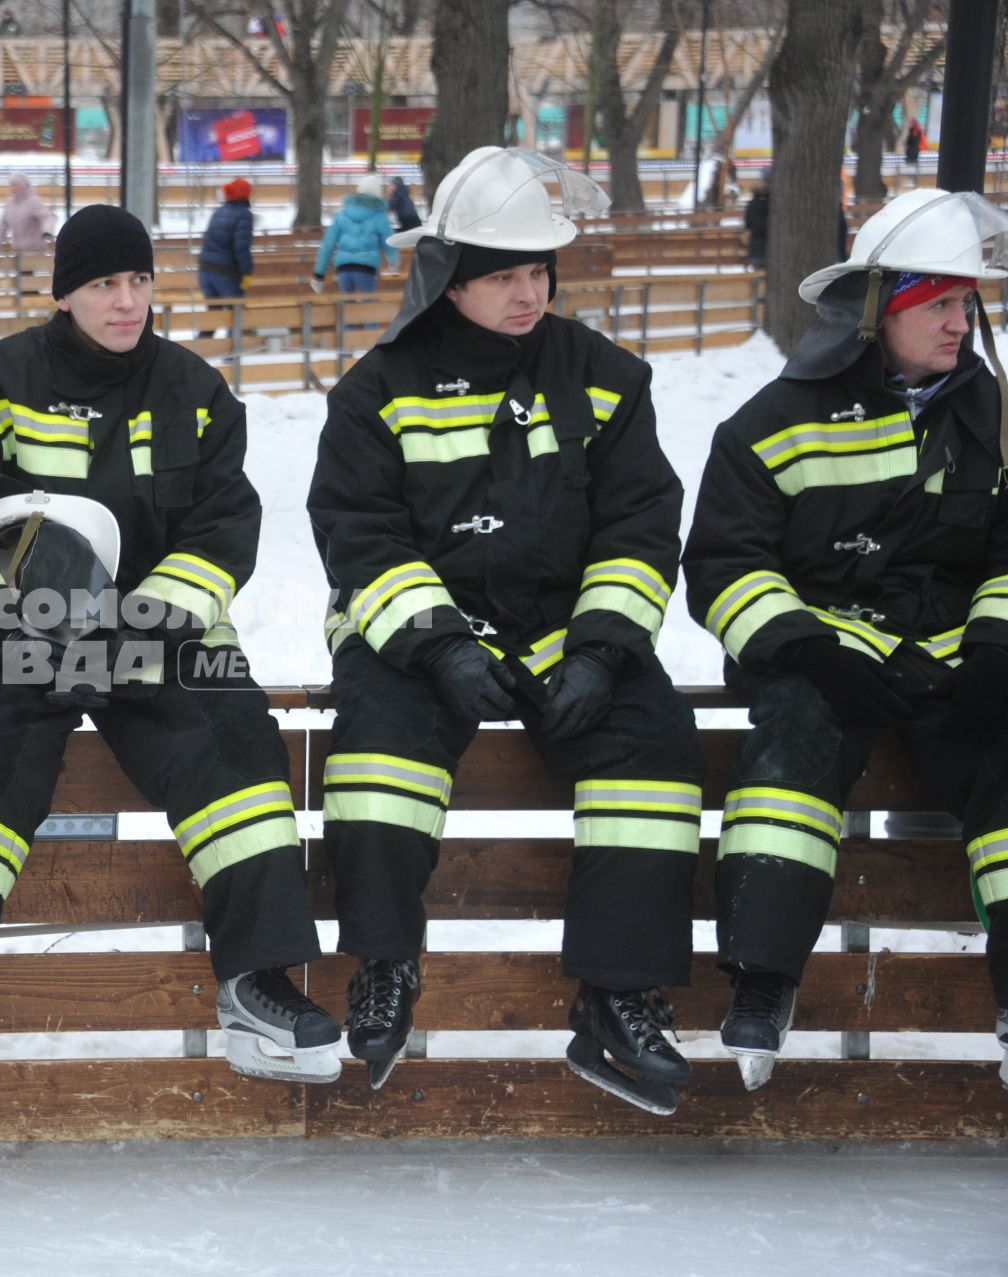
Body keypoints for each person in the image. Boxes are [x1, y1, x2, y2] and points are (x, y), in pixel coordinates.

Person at [0, 204, 341, 1091]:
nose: (126, 302)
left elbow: (225, 525)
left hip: (159, 634)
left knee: (235, 746)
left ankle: (259, 980)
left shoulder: (197, 392)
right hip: (16, 635)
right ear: (66, 294)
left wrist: (153, 617)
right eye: (102, 285)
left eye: (138, 281)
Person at [307, 147, 705, 1114]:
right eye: (502, 275)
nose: (527, 293)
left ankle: (617, 999)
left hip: (564, 631)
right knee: (378, 757)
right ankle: (386, 965)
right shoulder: (376, 390)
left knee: (653, 749)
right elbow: (360, 537)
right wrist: (438, 642)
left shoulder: (607, 378)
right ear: (450, 278)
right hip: (413, 631)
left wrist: (605, 646)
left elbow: (642, 524)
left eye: (539, 271)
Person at [682, 187, 1008, 1093]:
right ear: (877, 312)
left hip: (948, 652)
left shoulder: (994, 414)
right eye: (937, 302)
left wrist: (995, 648)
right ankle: (761, 984)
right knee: (793, 735)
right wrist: (805, 651)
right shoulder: (773, 419)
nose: (959, 322)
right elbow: (721, 565)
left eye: (965, 303)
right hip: (817, 650)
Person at [312, 173, 400, 295]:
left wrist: (319, 273)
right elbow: (390, 241)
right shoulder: (379, 216)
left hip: (344, 269)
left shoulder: (342, 215)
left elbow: (328, 244)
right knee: (368, 309)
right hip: (366, 269)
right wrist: (393, 262)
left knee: (347, 309)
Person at [199, 177, 254, 301]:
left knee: (215, 315)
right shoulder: (244, 214)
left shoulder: (219, 212)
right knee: (236, 315)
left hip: (206, 271)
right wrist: (246, 272)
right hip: (225, 274)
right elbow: (241, 248)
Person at [0, 173, 54, 251]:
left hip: (35, 250)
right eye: (11, 185)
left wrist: (47, 231)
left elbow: (47, 217)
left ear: (23, 186)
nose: (13, 188)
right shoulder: (10, 203)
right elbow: (3, 226)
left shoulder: (34, 201)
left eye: (15, 185)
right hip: (17, 251)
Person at [744, 171, 770, 271]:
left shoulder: (752, 205)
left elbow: (748, 225)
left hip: (756, 248)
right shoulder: (771, 204)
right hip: (772, 247)